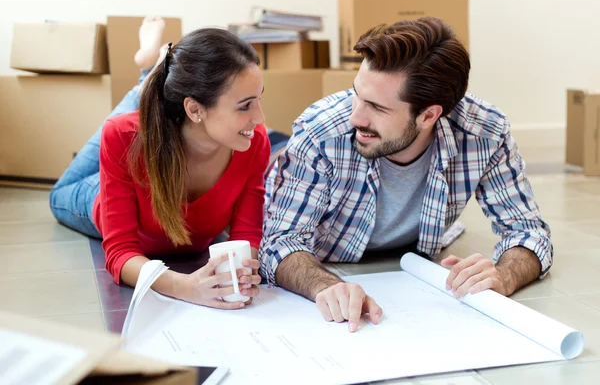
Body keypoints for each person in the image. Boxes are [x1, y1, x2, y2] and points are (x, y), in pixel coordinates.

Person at [259, 17, 552, 332]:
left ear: (429, 115)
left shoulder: (485, 132)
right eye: (356, 93)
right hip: (318, 236)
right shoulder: (322, 130)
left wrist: (504, 275)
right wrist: (324, 285)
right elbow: (279, 240)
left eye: (377, 107)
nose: (355, 115)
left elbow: (530, 232)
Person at [49, 17, 269, 310]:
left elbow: (247, 234)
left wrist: (244, 274)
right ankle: (146, 80)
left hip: (166, 132)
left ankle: (151, 76)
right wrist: (183, 286)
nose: (260, 118)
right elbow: (120, 253)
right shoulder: (123, 137)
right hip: (110, 183)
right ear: (195, 109)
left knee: (145, 116)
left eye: (258, 100)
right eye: (245, 106)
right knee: (58, 195)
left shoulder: (254, 142)